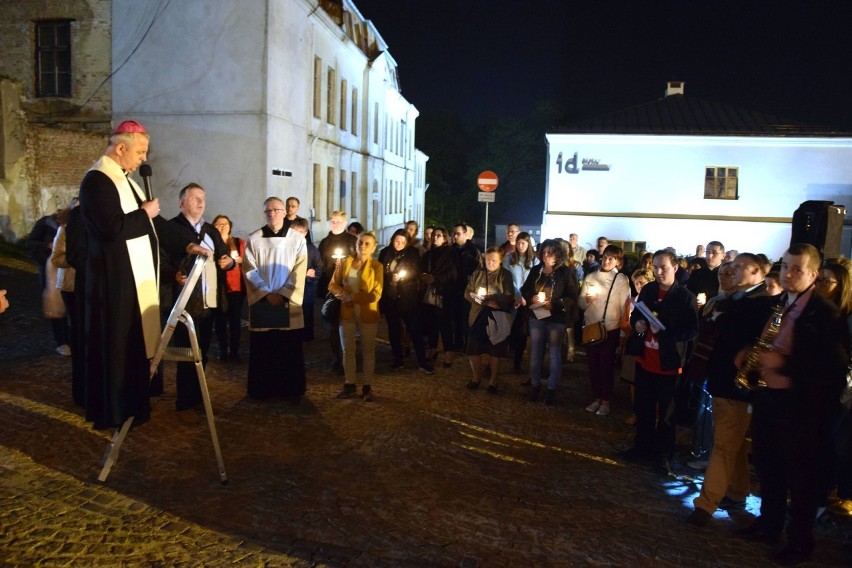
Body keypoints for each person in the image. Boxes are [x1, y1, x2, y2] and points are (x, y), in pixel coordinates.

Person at [79, 120, 208, 430]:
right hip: (115, 282)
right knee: (119, 345)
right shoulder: (97, 181)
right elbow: (111, 228)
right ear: (120, 147)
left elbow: (158, 224)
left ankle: (133, 405)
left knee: (133, 345)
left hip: (134, 284)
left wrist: (188, 243)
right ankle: (113, 410)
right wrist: (144, 214)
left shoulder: (128, 182)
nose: (143, 159)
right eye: (140, 152)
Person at [733, 244, 848, 566]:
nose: (788, 273)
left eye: (796, 269)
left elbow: (832, 368)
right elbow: (767, 341)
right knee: (768, 467)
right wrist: (749, 356)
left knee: (800, 478)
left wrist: (784, 364)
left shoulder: (824, 313)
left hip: (800, 407)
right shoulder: (779, 304)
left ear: (813, 274)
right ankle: (768, 525)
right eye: (785, 266)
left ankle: (800, 542)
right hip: (768, 396)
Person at [686, 253, 769, 527]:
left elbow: (741, 337)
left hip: (738, 384)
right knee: (731, 443)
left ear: (756, 271)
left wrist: (720, 319)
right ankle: (736, 492)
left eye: (738, 267)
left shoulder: (761, 304)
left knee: (723, 445)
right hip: (723, 379)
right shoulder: (737, 300)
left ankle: (706, 504)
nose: (731, 271)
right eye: (730, 267)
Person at [623, 249, 697, 464]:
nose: (658, 271)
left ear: (675, 268)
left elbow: (691, 330)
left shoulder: (685, 297)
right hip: (645, 358)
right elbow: (637, 314)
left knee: (666, 414)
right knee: (643, 409)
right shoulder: (648, 289)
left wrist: (665, 333)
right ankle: (641, 448)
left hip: (668, 363)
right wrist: (637, 324)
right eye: (654, 267)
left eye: (663, 267)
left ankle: (662, 455)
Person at [167, 184, 234, 414]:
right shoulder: (173, 228)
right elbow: (163, 259)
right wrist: (173, 274)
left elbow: (225, 253)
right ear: (181, 203)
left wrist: (229, 262)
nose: (200, 201)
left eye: (203, 197)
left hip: (209, 300)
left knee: (202, 352)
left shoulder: (209, 229)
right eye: (195, 197)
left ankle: (198, 397)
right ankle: (185, 400)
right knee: (186, 352)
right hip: (186, 302)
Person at [242, 197, 307, 401]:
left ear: (284, 212)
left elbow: (300, 269)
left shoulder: (297, 239)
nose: (272, 214)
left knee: (287, 347)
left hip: (287, 301)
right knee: (264, 347)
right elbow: (249, 269)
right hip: (263, 302)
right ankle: (262, 389)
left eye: (276, 210)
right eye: (268, 211)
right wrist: (266, 293)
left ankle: (290, 389)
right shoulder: (254, 239)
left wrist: (284, 293)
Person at [521, 239, 580, 405]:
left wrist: (554, 304)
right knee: (535, 354)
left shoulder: (566, 273)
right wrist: (531, 296)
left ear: (558, 254)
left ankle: (552, 389)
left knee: (554, 355)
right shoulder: (536, 270)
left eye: (551, 252)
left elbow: (572, 296)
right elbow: (526, 290)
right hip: (537, 316)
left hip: (556, 318)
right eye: (544, 252)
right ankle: (535, 385)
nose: (546, 255)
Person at [816, 258, 852, 519]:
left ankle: (846, 494)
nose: (820, 285)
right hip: (821, 385)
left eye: (826, 281)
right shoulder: (819, 312)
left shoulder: (846, 317)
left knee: (842, 442)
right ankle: (825, 488)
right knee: (824, 440)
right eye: (819, 279)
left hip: (844, 390)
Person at [328, 232, 383, 401]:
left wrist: (354, 297)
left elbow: (376, 294)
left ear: (374, 247)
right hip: (347, 312)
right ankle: (349, 384)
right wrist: (342, 294)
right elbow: (332, 284)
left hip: (368, 313)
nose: (363, 246)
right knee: (347, 350)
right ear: (356, 244)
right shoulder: (345, 263)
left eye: (367, 244)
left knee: (367, 350)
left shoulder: (376, 266)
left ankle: (367, 386)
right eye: (361, 242)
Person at [579, 245, 631, 417]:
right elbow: (581, 303)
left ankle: (606, 400)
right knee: (593, 365)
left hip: (610, 329)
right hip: (591, 327)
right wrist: (587, 300)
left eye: (611, 258)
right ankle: (597, 397)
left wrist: (624, 332)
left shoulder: (621, 279)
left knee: (606, 366)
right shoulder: (591, 276)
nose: (607, 261)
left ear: (617, 261)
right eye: (605, 257)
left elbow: (626, 306)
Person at [378, 229, 432, 373]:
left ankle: (422, 360)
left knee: (414, 329)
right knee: (394, 330)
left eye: (402, 242)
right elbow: (379, 271)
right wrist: (390, 279)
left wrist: (403, 278)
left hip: (408, 297)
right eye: (397, 241)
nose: (399, 244)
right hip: (390, 297)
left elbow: (416, 271)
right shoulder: (385, 253)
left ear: (407, 242)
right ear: (392, 240)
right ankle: (397, 358)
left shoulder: (412, 253)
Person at [464, 247, 514, 393]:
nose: (490, 263)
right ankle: (476, 378)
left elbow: (509, 295)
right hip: (477, 315)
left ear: (500, 261)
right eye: (488, 260)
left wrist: (493, 297)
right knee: (474, 349)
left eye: (494, 260)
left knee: (495, 351)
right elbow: (467, 292)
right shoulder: (478, 273)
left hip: (497, 317)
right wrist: (482, 301)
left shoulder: (505, 275)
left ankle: (493, 381)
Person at [317, 211, 357, 371]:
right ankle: (337, 358)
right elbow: (321, 263)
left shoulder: (352, 241)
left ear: (345, 223)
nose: (336, 224)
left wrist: (344, 267)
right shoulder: (325, 242)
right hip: (331, 289)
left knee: (348, 325)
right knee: (332, 326)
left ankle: (349, 356)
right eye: (333, 221)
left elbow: (358, 262)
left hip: (348, 288)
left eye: (339, 221)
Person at [619, 267, 654, 425]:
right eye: (636, 283)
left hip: (650, 345)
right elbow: (624, 322)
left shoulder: (653, 301)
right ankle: (636, 413)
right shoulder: (632, 301)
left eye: (642, 282)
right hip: (634, 342)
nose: (639, 285)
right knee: (633, 381)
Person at [420, 227, 457, 367]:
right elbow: (421, 269)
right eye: (434, 235)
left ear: (445, 238)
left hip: (444, 293)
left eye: (439, 235)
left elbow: (452, 273)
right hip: (429, 293)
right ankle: (433, 348)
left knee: (445, 324)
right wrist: (423, 276)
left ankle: (448, 353)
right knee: (431, 323)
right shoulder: (428, 254)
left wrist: (435, 278)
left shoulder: (450, 253)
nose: (435, 238)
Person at [212, 214, 246, 361]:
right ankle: (222, 349)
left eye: (225, 224)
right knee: (219, 321)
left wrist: (240, 260)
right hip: (217, 288)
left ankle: (234, 350)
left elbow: (248, 261)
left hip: (235, 288)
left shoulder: (238, 243)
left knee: (235, 321)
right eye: (218, 224)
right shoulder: (210, 244)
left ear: (230, 226)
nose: (222, 226)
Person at [503, 231, 538, 374]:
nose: (520, 245)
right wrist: (517, 295)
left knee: (522, 331)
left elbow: (535, 281)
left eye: (523, 242)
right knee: (508, 327)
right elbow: (507, 279)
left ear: (528, 244)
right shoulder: (509, 258)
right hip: (513, 297)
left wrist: (525, 297)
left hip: (527, 301)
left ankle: (518, 360)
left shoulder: (535, 261)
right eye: (518, 242)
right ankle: (504, 355)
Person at [451, 222, 483, 355]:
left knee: (466, 319)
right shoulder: (451, 250)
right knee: (455, 319)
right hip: (453, 289)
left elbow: (479, 271)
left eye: (458, 233)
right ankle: (457, 343)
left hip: (467, 289)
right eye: (453, 233)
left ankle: (467, 345)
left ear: (465, 234)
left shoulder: (473, 251)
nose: (455, 236)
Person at [291, 217, 322, 342]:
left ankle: (306, 337)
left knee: (307, 314)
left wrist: (313, 274)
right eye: (294, 232)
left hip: (306, 289)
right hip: (290, 288)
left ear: (305, 233)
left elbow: (319, 267)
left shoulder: (312, 250)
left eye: (300, 232)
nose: (297, 235)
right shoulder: (286, 248)